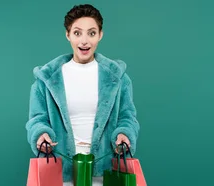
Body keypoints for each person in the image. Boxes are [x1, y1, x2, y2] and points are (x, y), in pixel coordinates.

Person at [25, 4, 140, 185]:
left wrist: (124, 133)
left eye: (91, 33)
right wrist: (41, 134)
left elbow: (127, 117)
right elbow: (37, 119)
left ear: (100, 35)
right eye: (77, 33)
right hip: (61, 171)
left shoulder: (118, 77)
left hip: (104, 171)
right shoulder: (47, 78)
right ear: (68, 35)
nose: (84, 41)